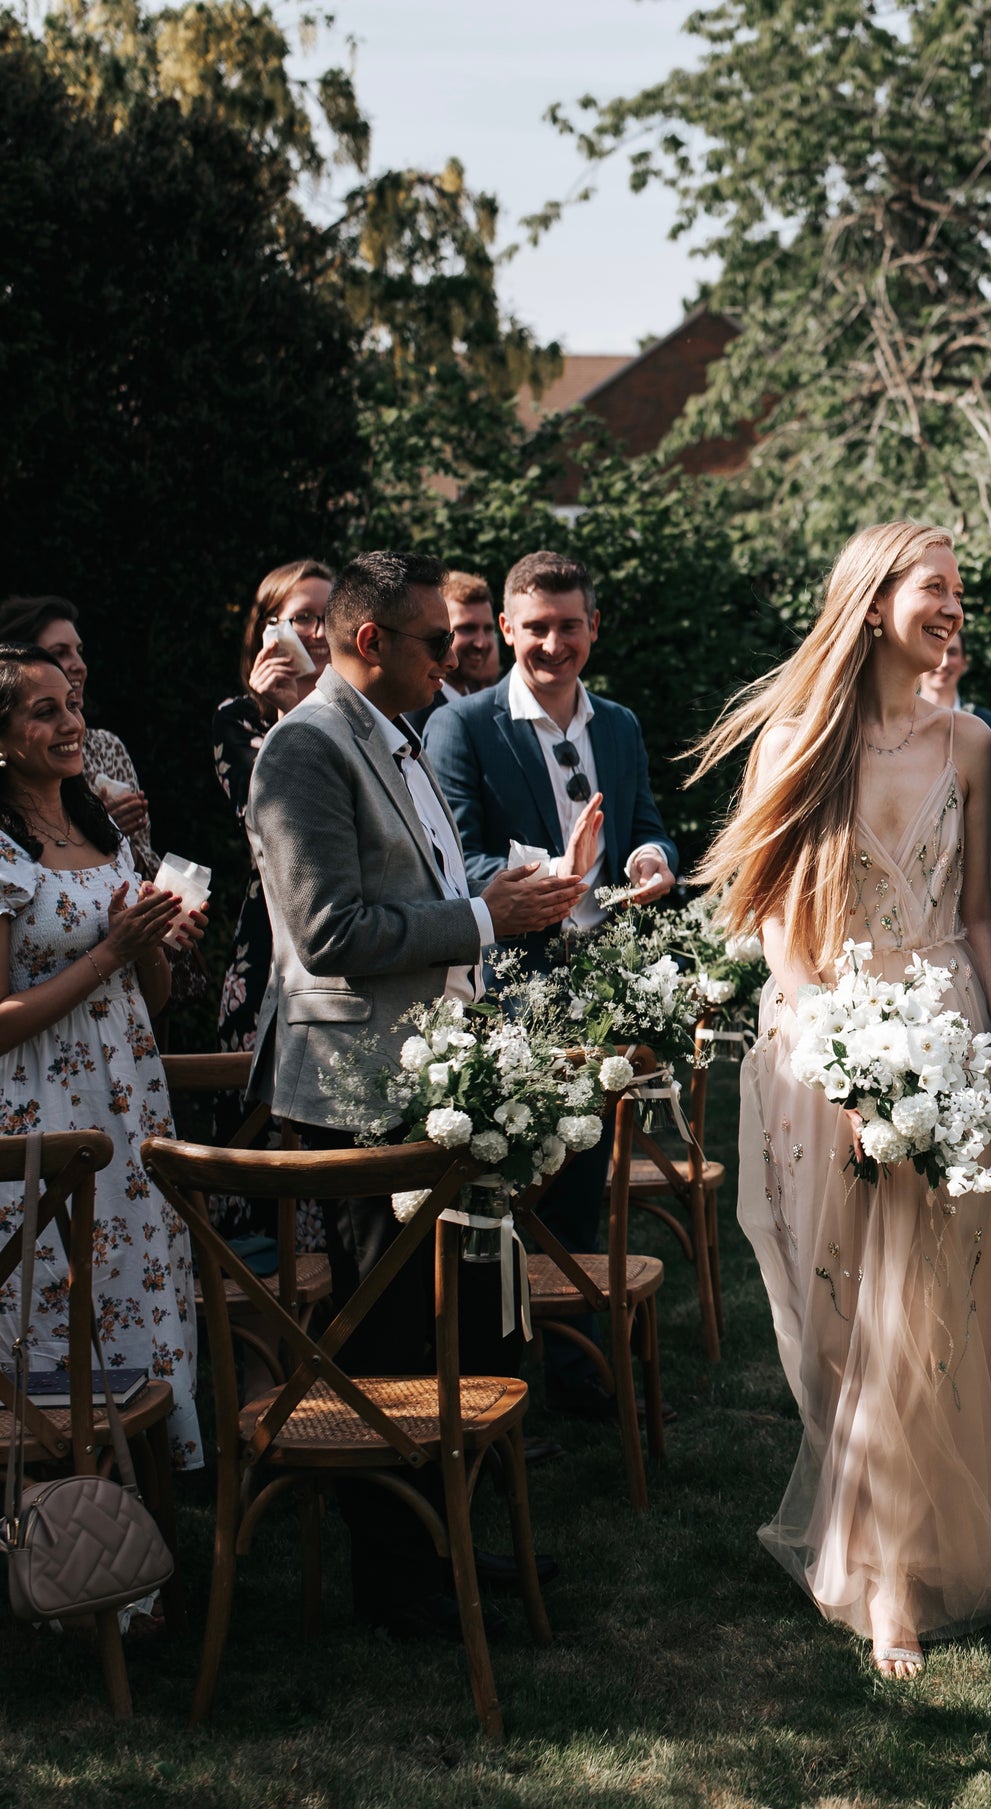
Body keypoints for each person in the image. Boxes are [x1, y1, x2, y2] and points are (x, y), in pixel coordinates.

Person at [689, 520, 991, 1680]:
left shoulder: (969, 739)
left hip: (950, 1054)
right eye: (937, 588)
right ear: (873, 604)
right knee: (848, 1319)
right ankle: (873, 1548)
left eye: (961, 591)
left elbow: (973, 918)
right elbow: (779, 937)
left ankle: (899, 1580)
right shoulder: (794, 743)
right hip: (828, 1054)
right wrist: (852, 1055)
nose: (955, 606)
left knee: (941, 1319)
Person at [246, 550, 585, 1638]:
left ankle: (450, 1546)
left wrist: (489, 896)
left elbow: (424, 895)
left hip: (438, 1076)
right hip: (352, 1093)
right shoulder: (306, 748)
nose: (458, 656)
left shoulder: (396, 734)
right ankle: (395, 1585)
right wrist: (490, 921)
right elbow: (331, 932)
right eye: (436, 642)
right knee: (383, 1347)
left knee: (466, 1333)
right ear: (367, 643)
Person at [425, 549, 678, 1419]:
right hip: (505, 988)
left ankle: (575, 1373)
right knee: (500, 1189)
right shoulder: (463, 729)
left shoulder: (620, 724)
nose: (553, 644)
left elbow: (647, 826)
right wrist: (555, 873)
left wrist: (650, 859)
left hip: (599, 986)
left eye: (569, 626)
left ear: (593, 627)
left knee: (580, 1183)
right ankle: (503, 1383)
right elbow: (456, 859)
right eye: (535, 628)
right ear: (504, 629)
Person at [0, 645, 208, 1471]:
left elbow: (145, 998)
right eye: (43, 710)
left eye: (71, 705)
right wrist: (111, 952)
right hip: (39, 1106)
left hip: (128, 1095)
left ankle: (146, 1469)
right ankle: (63, 1490)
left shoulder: (98, 829)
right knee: (57, 1285)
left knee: (134, 1270)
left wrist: (151, 940)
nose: (70, 723)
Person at [212, 560, 331, 1062]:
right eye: (304, 617)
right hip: (274, 940)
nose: (321, 632)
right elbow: (270, 818)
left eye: (332, 615)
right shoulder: (239, 718)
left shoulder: (366, 716)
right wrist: (285, 712)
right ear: (270, 630)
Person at [0, 597, 157, 875]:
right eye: (60, 653)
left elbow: (141, 870)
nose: (79, 665)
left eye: (79, 651)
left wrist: (106, 830)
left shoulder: (107, 747)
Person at [405, 570, 502, 733]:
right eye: (467, 629)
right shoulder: (416, 711)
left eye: (488, 629)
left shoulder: (486, 709)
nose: (481, 643)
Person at [916, 627, 991, 744]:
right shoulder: (897, 720)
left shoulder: (990, 724)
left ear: (964, 662)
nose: (944, 663)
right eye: (936, 650)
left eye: (952, 653)